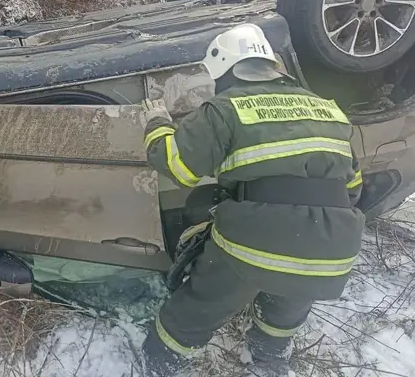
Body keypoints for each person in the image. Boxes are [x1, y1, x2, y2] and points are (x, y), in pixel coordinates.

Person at [139, 23, 365, 376]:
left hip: (257, 240)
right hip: (333, 249)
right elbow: (353, 188)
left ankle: (160, 362)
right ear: (272, 65)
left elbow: (179, 168)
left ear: (226, 70)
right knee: (290, 295)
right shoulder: (327, 109)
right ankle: (268, 356)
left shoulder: (225, 108)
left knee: (200, 305)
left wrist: (156, 124)